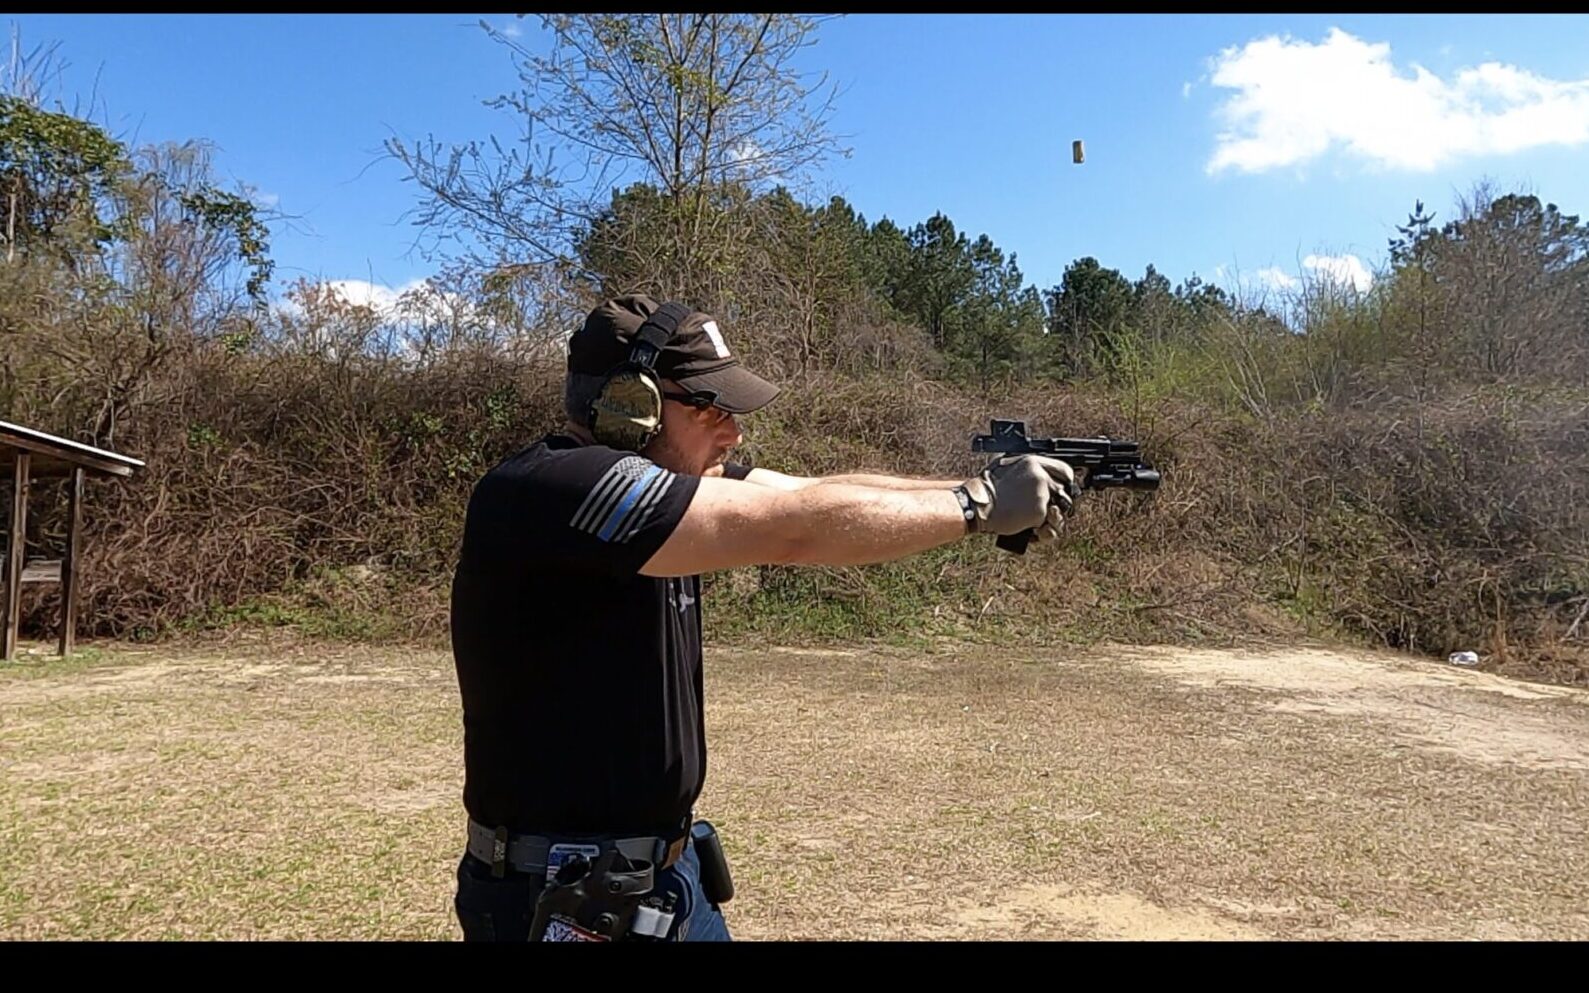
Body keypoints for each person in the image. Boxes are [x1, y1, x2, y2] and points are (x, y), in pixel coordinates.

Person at [449, 294, 1075, 941]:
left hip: (662, 873)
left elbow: (810, 495)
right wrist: (977, 504)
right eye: (707, 406)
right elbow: (793, 531)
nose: (733, 429)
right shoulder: (551, 487)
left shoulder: (671, 477)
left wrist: (977, 489)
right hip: (559, 894)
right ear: (628, 404)